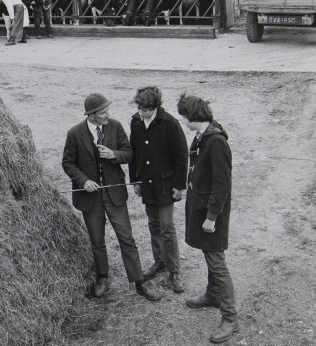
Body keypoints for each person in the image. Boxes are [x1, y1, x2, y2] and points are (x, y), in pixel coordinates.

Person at [62, 93, 162, 301]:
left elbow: (129, 153)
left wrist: (114, 155)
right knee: (97, 240)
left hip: (114, 195)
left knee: (127, 238)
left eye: (107, 111)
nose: (107, 115)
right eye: (103, 112)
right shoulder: (74, 134)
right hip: (91, 198)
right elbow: (68, 163)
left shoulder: (115, 127)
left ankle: (139, 282)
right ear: (91, 115)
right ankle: (102, 278)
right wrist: (84, 181)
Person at [177, 93, 239, 344]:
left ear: (193, 117)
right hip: (202, 209)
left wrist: (212, 216)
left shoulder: (216, 142)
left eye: (185, 116)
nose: (184, 120)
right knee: (208, 254)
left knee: (217, 262)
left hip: (212, 213)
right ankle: (213, 295)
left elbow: (222, 185)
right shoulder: (203, 137)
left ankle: (231, 317)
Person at [128, 86, 188, 293]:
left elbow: (182, 156)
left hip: (165, 186)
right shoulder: (136, 122)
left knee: (167, 227)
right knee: (153, 224)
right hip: (147, 185)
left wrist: (179, 186)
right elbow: (134, 152)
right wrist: (135, 180)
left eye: (144, 109)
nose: (140, 112)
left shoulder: (169, 123)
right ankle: (159, 261)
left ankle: (174, 270)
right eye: (138, 108)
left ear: (154, 107)